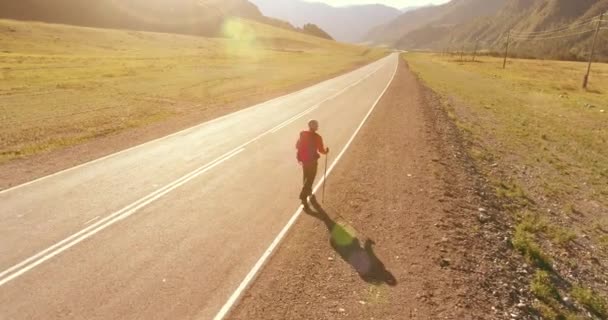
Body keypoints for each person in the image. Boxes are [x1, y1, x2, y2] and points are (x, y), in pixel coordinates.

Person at [296, 120, 329, 207]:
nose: (318, 126)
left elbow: (297, 146)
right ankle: (303, 196)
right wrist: (326, 151)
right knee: (310, 178)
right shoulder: (317, 137)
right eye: (317, 125)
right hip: (312, 161)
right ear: (314, 127)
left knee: (306, 177)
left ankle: (309, 192)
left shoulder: (303, 134)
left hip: (304, 160)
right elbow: (321, 150)